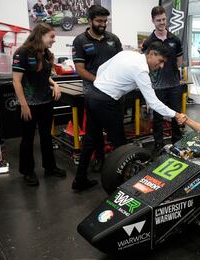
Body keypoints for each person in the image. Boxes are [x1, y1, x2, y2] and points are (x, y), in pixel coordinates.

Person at [72, 41, 187, 191]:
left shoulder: (128, 54)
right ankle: (126, 188)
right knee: (122, 147)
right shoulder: (141, 70)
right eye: (160, 61)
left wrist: (106, 83)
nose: (161, 66)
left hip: (92, 95)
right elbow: (153, 103)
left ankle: (79, 180)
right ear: (151, 54)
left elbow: (101, 68)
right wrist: (176, 114)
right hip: (105, 101)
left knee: (90, 139)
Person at [12, 23, 66, 186]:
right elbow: (16, 80)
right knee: (28, 139)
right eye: (52, 36)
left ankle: (50, 167)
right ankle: (28, 172)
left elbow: (44, 76)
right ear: (40, 35)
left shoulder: (46, 53)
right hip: (28, 104)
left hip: (46, 102)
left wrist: (55, 84)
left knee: (46, 136)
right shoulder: (22, 52)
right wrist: (24, 105)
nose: (54, 40)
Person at [72, 4, 122, 172]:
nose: (103, 24)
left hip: (114, 92)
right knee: (95, 130)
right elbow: (80, 69)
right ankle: (100, 159)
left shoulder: (113, 39)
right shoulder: (80, 41)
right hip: (92, 91)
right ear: (90, 20)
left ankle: (119, 160)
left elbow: (121, 62)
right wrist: (99, 81)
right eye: (99, 21)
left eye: (105, 21)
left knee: (116, 127)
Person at [141, 6, 183, 153]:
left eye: (164, 19)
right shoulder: (148, 42)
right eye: (158, 20)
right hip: (157, 86)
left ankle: (177, 142)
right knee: (157, 117)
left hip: (174, 85)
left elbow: (179, 61)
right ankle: (158, 144)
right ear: (153, 21)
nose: (162, 22)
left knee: (176, 114)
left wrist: (172, 75)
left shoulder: (175, 39)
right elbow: (145, 63)